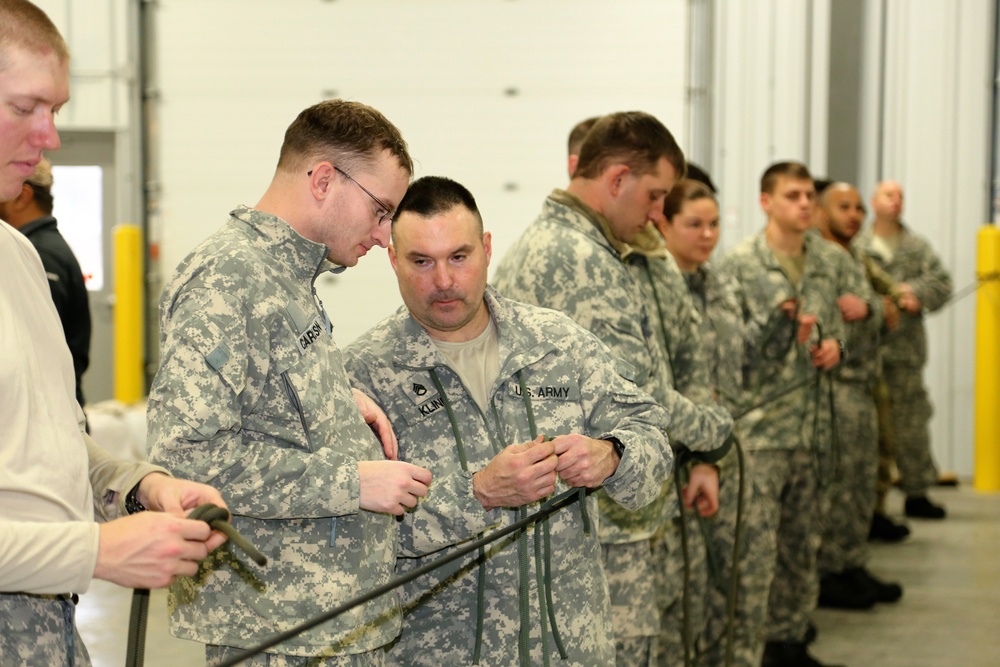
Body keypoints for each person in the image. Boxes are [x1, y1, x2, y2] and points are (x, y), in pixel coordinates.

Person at [146, 99, 433, 666]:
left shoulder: (286, 272)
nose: (383, 237)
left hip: (326, 624)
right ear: (324, 180)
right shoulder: (228, 277)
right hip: (280, 633)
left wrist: (336, 396)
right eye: (380, 211)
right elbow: (187, 456)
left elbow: (260, 396)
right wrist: (353, 482)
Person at [344, 175, 673, 667]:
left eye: (459, 256)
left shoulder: (558, 344)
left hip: (571, 652)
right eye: (421, 261)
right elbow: (353, 533)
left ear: (487, 249)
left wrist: (614, 455)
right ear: (393, 259)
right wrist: (477, 492)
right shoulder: (363, 377)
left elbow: (654, 443)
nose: (444, 281)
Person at [1, 2, 228, 664]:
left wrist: (138, 487)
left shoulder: (20, 259)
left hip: (46, 634)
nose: (50, 138)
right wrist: (100, 550)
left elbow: (55, 443)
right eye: (25, 108)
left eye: (57, 110)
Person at [493, 111, 732, 666]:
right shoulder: (579, 259)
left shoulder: (579, 246)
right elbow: (636, 394)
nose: (657, 214)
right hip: (595, 518)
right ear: (618, 178)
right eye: (654, 196)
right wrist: (714, 432)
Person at [717, 161, 866, 667]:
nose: (805, 204)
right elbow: (724, 347)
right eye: (793, 195)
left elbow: (861, 313)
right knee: (755, 552)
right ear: (766, 202)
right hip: (761, 432)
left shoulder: (832, 259)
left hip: (815, 426)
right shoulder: (738, 264)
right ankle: (748, 650)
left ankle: (790, 641)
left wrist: (839, 347)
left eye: (809, 196)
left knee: (804, 545)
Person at [656, 178, 772, 667]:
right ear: (664, 224)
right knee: (685, 588)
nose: (708, 235)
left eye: (715, 224)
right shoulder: (655, 287)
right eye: (695, 224)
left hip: (728, 446)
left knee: (745, 571)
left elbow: (745, 360)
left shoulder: (721, 283)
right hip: (674, 458)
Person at [813, 182, 903, 609]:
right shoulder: (818, 259)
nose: (854, 215)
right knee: (839, 484)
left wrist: (872, 307)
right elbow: (843, 318)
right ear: (819, 211)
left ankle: (850, 562)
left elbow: (884, 307)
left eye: (858, 208)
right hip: (835, 387)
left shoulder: (854, 257)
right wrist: (873, 309)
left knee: (859, 482)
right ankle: (833, 570)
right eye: (843, 207)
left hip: (861, 384)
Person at [854, 179, 953, 520]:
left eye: (900, 196)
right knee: (872, 432)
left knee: (912, 423)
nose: (896, 202)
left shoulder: (916, 247)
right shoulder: (858, 244)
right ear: (874, 200)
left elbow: (942, 283)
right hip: (866, 352)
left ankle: (917, 490)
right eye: (888, 195)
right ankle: (873, 502)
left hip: (906, 352)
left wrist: (915, 293)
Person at [0, 158, 91, 406]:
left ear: (22, 195)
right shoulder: (36, 248)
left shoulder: (39, 255)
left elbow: (35, 353)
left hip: (49, 415)